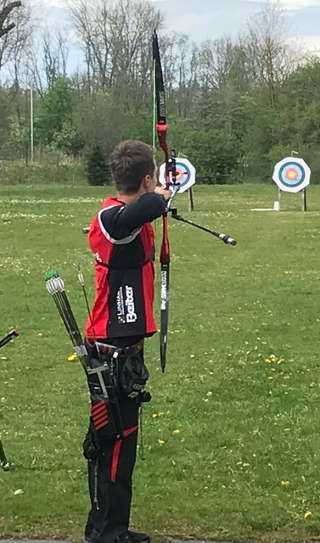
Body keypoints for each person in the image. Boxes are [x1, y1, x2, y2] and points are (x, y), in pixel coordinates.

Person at [83, 140, 170, 543]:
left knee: (123, 445)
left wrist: (160, 193)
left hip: (124, 350)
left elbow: (140, 214)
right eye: (151, 181)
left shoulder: (128, 220)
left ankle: (113, 528)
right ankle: (104, 533)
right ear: (147, 179)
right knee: (111, 444)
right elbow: (135, 213)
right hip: (108, 351)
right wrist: (161, 195)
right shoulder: (111, 217)